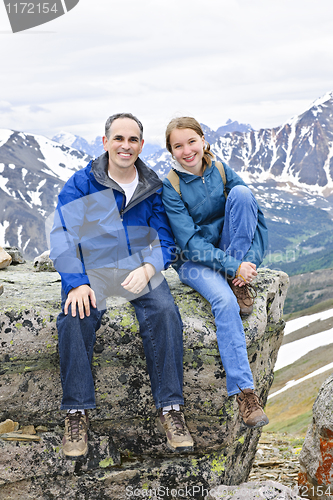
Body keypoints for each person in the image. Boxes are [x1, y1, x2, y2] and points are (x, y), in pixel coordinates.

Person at [50, 113, 193, 458]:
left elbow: (164, 237)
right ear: (105, 142)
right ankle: (76, 413)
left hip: (138, 267)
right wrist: (76, 282)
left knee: (164, 312)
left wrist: (149, 268)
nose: (125, 146)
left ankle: (171, 409)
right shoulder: (82, 183)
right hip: (92, 268)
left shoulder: (152, 185)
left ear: (141, 145)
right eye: (118, 139)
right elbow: (63, 237)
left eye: (132, 140)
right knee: (74, 316)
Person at [162, 117, 269, 429]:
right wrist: (233, 267)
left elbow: (255, 218)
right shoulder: (171, 186)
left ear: (203, 140)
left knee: (244, 195)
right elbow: (191, 244)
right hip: (194, 262)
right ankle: (245, 394)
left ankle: (237, 283)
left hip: (228, 254)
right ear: (171, 150)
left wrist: (248, 263)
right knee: (224, 303)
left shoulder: (220, 169)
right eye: (178, 146)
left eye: (191, 142)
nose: (187, 150)